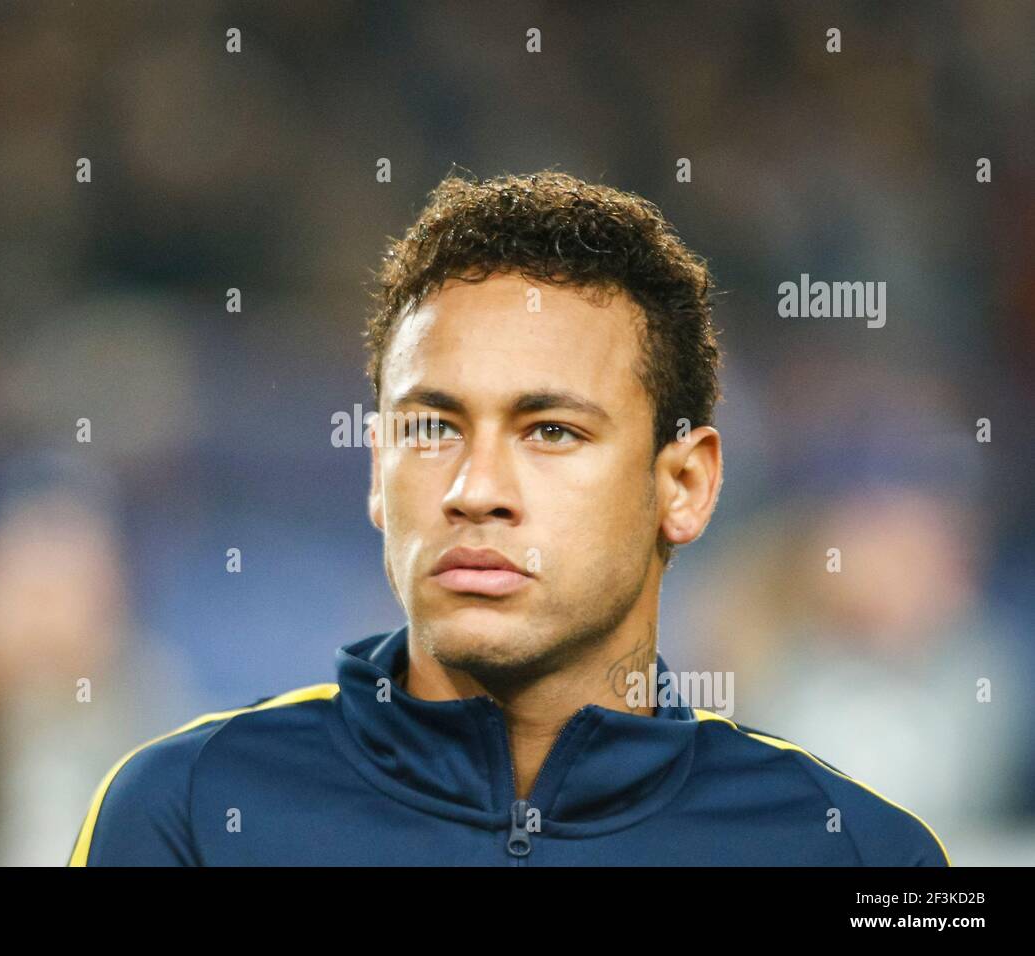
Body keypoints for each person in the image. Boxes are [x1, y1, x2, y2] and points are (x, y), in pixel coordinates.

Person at [68, 170, 949, 866]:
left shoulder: (862, 857)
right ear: (377, 470)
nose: (475, 487)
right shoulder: (184, 813)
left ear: (683, 485)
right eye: (431, 428)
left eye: (551, 430)